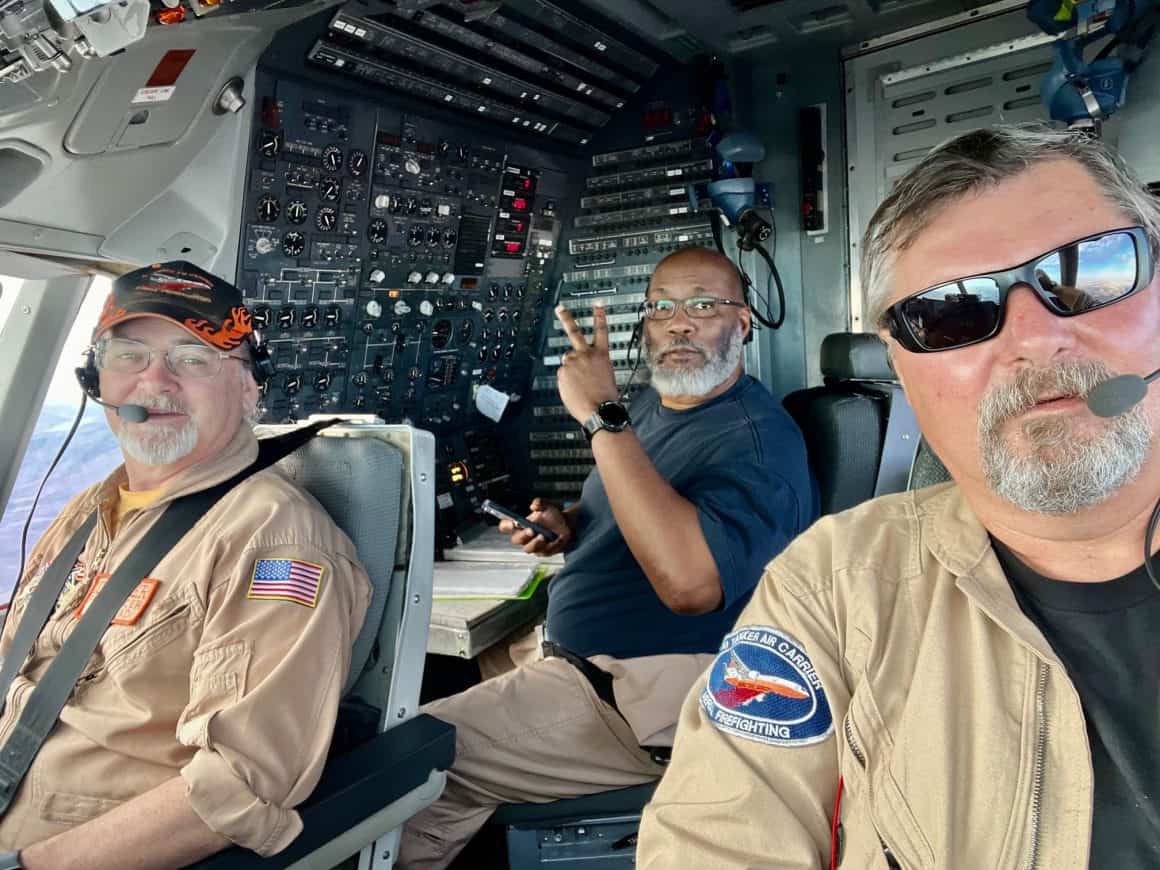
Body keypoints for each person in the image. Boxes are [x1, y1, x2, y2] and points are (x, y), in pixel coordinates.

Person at [637, 124, 1160, 869]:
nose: (1035, 337)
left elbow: (690, 583)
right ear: (903, 370)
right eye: (951, 313)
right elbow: (715, 841)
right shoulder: (834, 585)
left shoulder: (751, 434)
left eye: (1089, 273)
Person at [398, 246, 817, 869]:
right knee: (426, 683)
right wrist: (567, 523)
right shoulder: (648, 407)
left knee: (407, 766)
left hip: (634, 693)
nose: (680, 322)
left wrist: (600, 416)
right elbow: (638, 501)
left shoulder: (756, 440)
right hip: (579, 659)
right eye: (662, 308)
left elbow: (692, 585)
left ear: (744, 323)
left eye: (705, 305)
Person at [0, 262, 371, 868]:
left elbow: (235, 785)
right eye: (129, 356)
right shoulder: (89, 510)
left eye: (193, 359)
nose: (156, 381)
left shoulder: (274, 540)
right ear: (95, 378)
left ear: (250, 388)